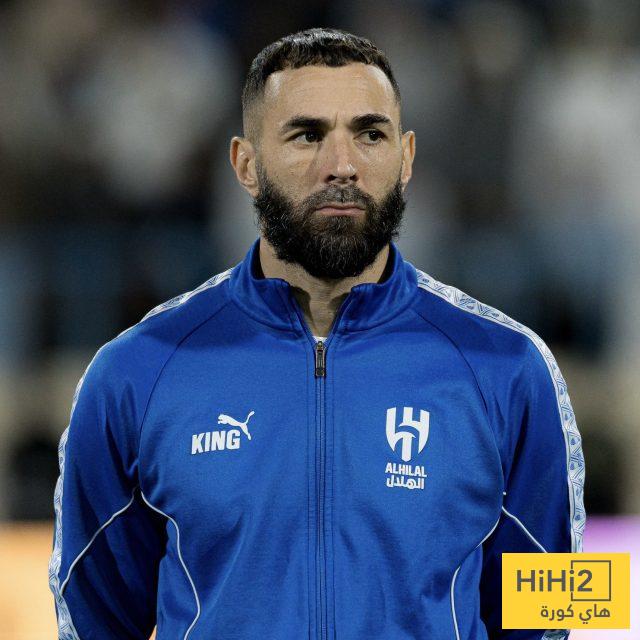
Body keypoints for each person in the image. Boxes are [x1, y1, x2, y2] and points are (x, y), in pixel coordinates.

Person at [49, 28, 585, 640]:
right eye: (307, 135)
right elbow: (90, 618)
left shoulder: (509, 366)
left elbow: (555, 613)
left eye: (370, 134)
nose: (342, 166)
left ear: (407, 157)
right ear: (245, 164)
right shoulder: (138, 371)